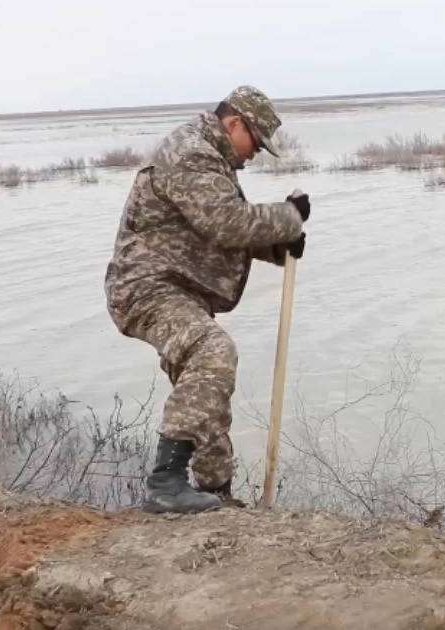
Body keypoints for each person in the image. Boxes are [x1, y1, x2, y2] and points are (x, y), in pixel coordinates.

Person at [104, 85, 309, 514]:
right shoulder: (190, 153)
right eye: (255, 141)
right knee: (213, 353)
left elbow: (207, 230)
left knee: (205, 391)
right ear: (234, 123)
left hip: (177, 287)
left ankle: (216, 493)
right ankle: (166, 483)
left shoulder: (210, 160)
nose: (255, 154)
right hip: (148, 288)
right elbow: (227, 223)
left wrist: (276, 247)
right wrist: (286, 218)